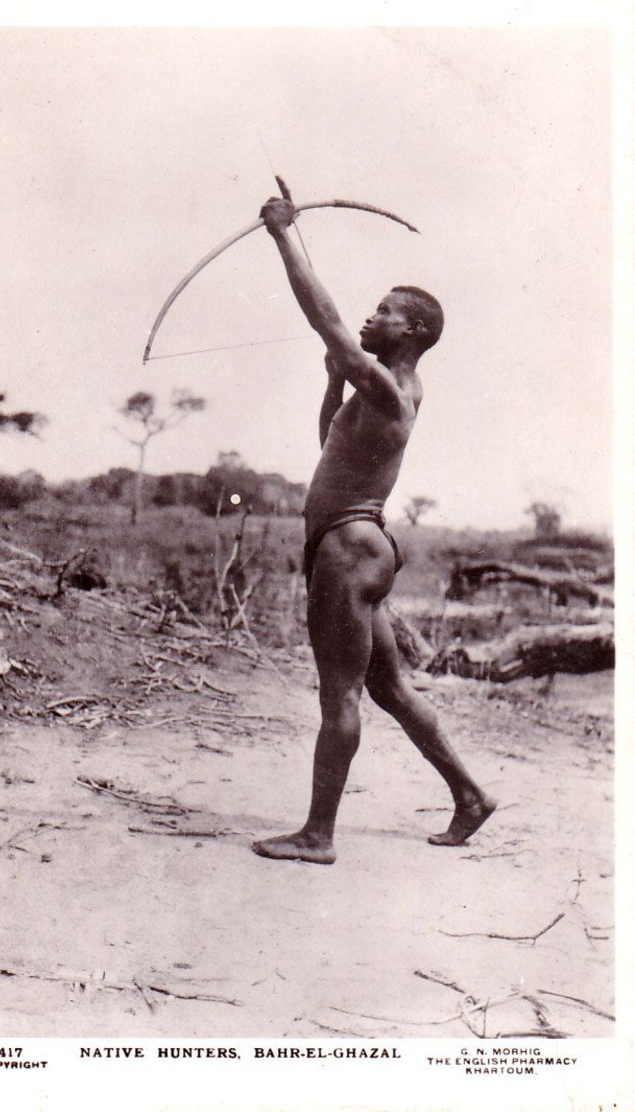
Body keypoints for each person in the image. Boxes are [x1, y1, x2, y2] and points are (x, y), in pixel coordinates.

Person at [252, 195, 496, 865]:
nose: (371, 315)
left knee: (342, 693)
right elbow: (334, 448)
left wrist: (284, 237)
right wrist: (333, 385)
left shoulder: (393, 385)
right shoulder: (379, 390)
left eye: (387, 311)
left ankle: (317, 836)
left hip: (350, 545)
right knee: (387, 686)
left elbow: (326, 319)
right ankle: (471, 795)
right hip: (355, 542)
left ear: (412, 331)